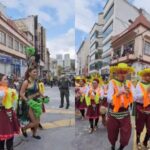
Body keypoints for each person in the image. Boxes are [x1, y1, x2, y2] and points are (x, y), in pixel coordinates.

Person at [107, 63, 135, 150]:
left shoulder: (129, 83)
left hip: (125, 113)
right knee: (112, 132)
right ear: (117, 73)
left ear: (126, 73)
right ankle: (113, 146)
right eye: (120, 72)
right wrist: (118, 93)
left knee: (126, 134)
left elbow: (135, 97)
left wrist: (129, 93)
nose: (122, 74)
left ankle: (121, 148)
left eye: (124, 72)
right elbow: (109, 99)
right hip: (114, 112)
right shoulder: (112, 82)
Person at [19, 66, 43, 139]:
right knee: (34, 122)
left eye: (36, 72)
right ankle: (24, 128)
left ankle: (34, 134)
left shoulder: (36, 81)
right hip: (29, 104)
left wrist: (43, 96)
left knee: (38, 121)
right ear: (29, 73)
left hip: (37, 103)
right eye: (34, 72)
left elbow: (39, 91)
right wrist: (27, 100)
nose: (36, 73)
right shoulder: (26, 82)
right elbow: (21, 93)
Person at [0, 74, 20, 150]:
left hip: (10, 113)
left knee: (10, 136)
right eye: (5, 79)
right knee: (1, 138)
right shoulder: (1, 91)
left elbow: (15, 101)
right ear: (0, 81)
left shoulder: (11, 90)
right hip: (2, 115)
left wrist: (14, 110)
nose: (7, 80)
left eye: (7, 79)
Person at [135, 68, 150, 149]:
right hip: (140, 107)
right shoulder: (139, 84)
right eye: (147, 75)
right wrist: (146, 92)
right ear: (143, 76)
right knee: (139, 126)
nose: (149, 77)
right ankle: (138, 141)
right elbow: (136, 97)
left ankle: (145, 141)